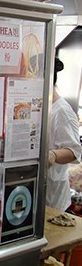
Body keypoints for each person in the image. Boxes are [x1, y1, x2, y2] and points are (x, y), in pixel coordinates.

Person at [47, 56, 82, 211]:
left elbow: (74, 151)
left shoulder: (62, 111)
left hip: (53, 196)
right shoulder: (37, 106)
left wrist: (53, 155)